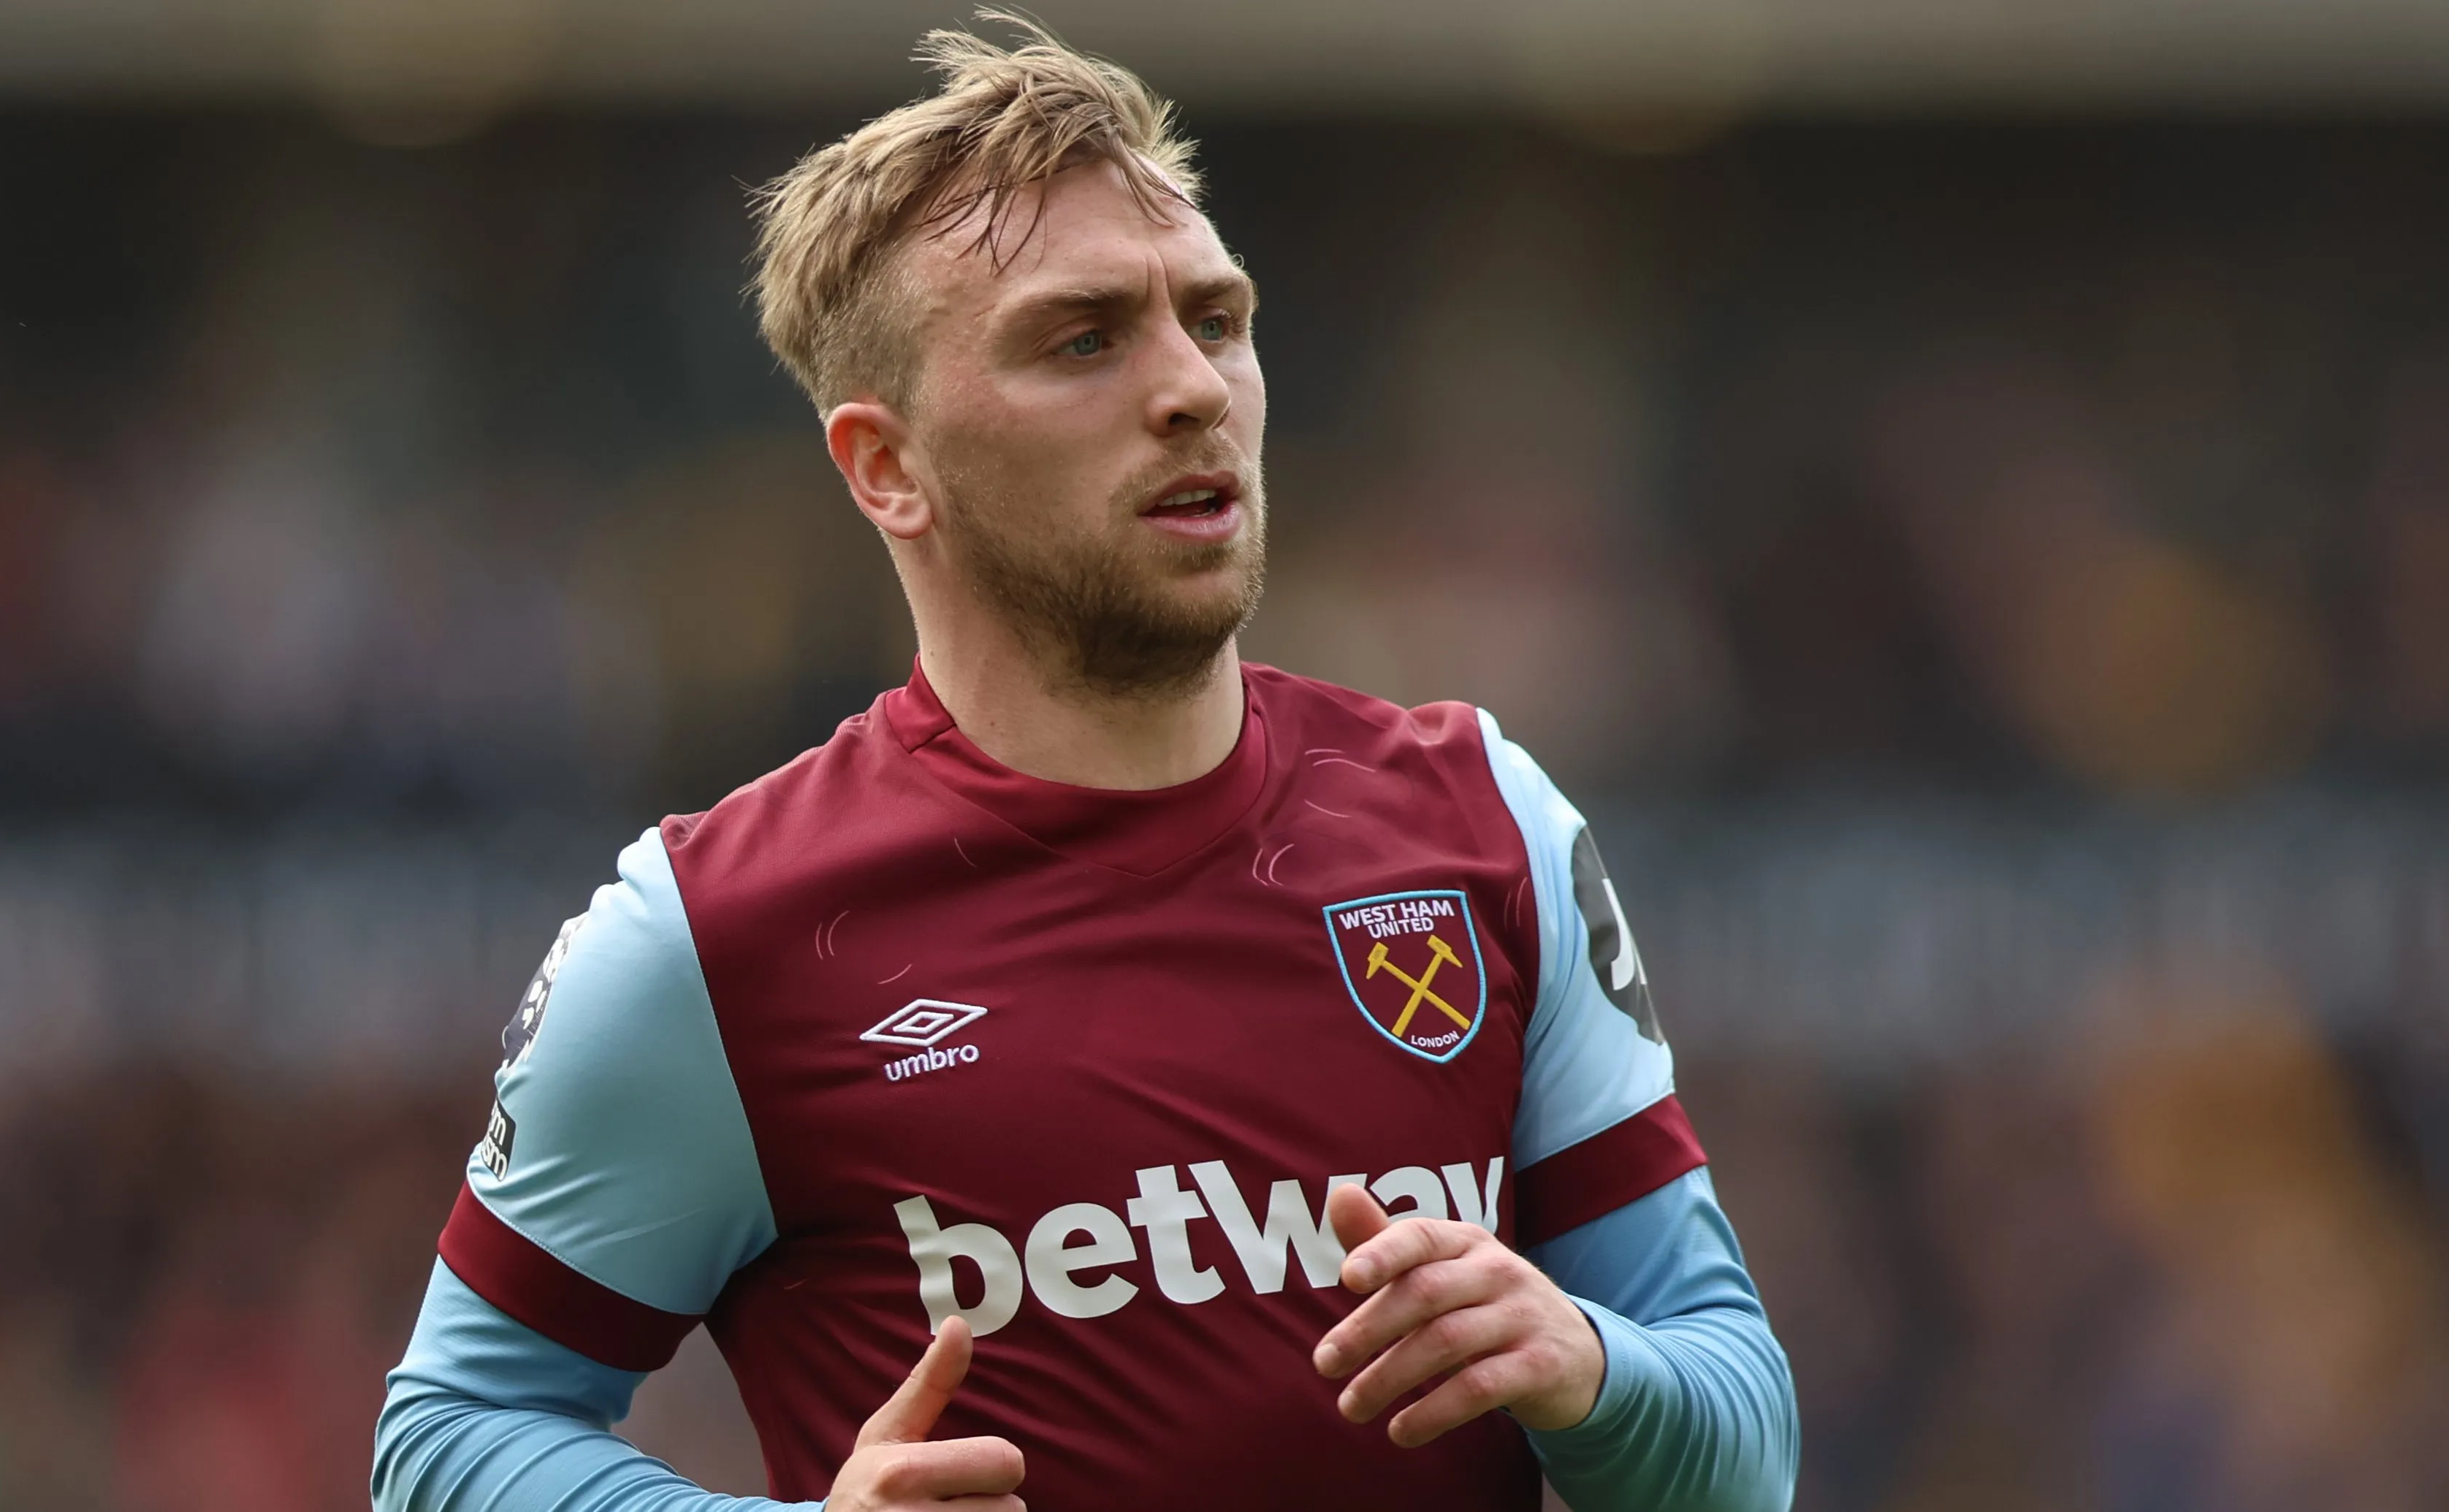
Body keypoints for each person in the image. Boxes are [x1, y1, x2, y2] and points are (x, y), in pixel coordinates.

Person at [372, 16, 1796, 1511]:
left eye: (1218, 318)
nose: (1190, 387)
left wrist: (1586, 1363)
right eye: (1083, 339)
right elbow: (452, 1436)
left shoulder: (1482, 821)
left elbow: (1743, 1444)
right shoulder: (715, 935)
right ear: (885, 465)